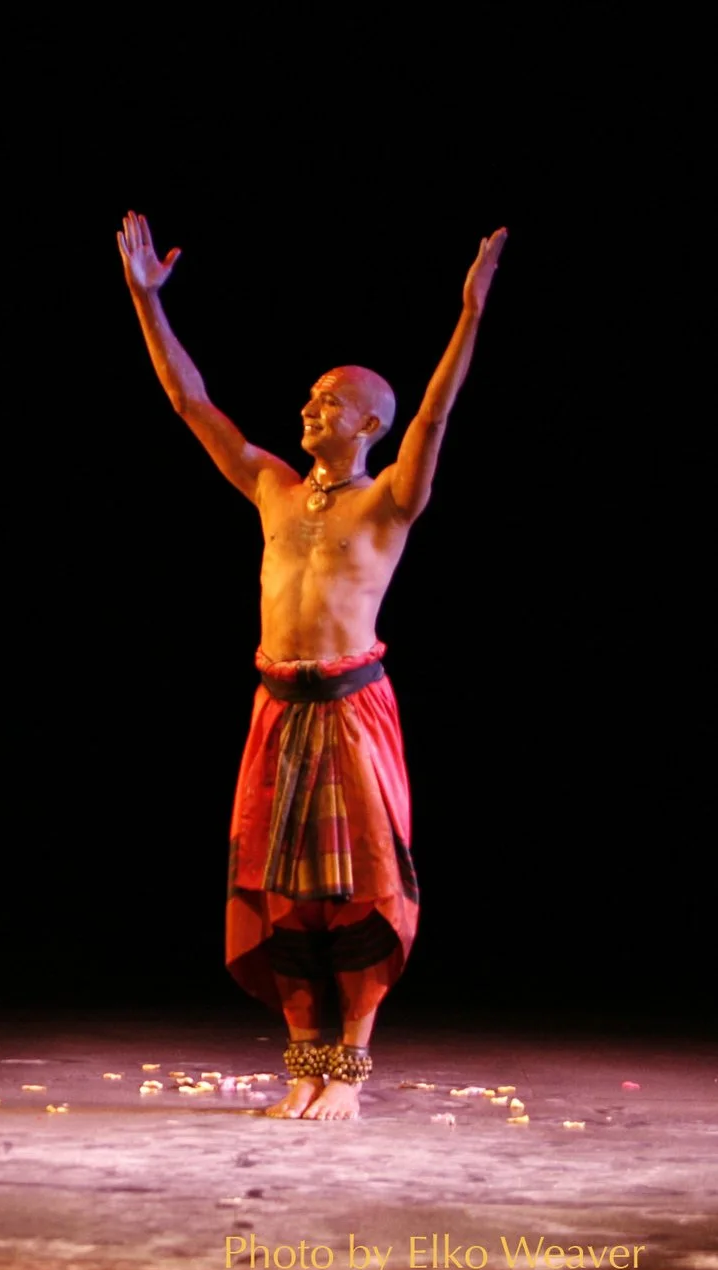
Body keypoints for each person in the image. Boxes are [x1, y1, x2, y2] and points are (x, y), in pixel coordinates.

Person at [116, 211, 506, 1121]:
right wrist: (147, 302)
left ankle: (350, 1074)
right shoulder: (272, 486)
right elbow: (191, 403)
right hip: (278, 709)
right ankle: (305, 1063)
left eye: (329, 401)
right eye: (311, 395)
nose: (309, 407)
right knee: (284, 897)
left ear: (369, 422)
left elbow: (436, 414)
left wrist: (469, 314)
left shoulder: (391, 500)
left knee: (359, 895)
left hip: (349, 708)